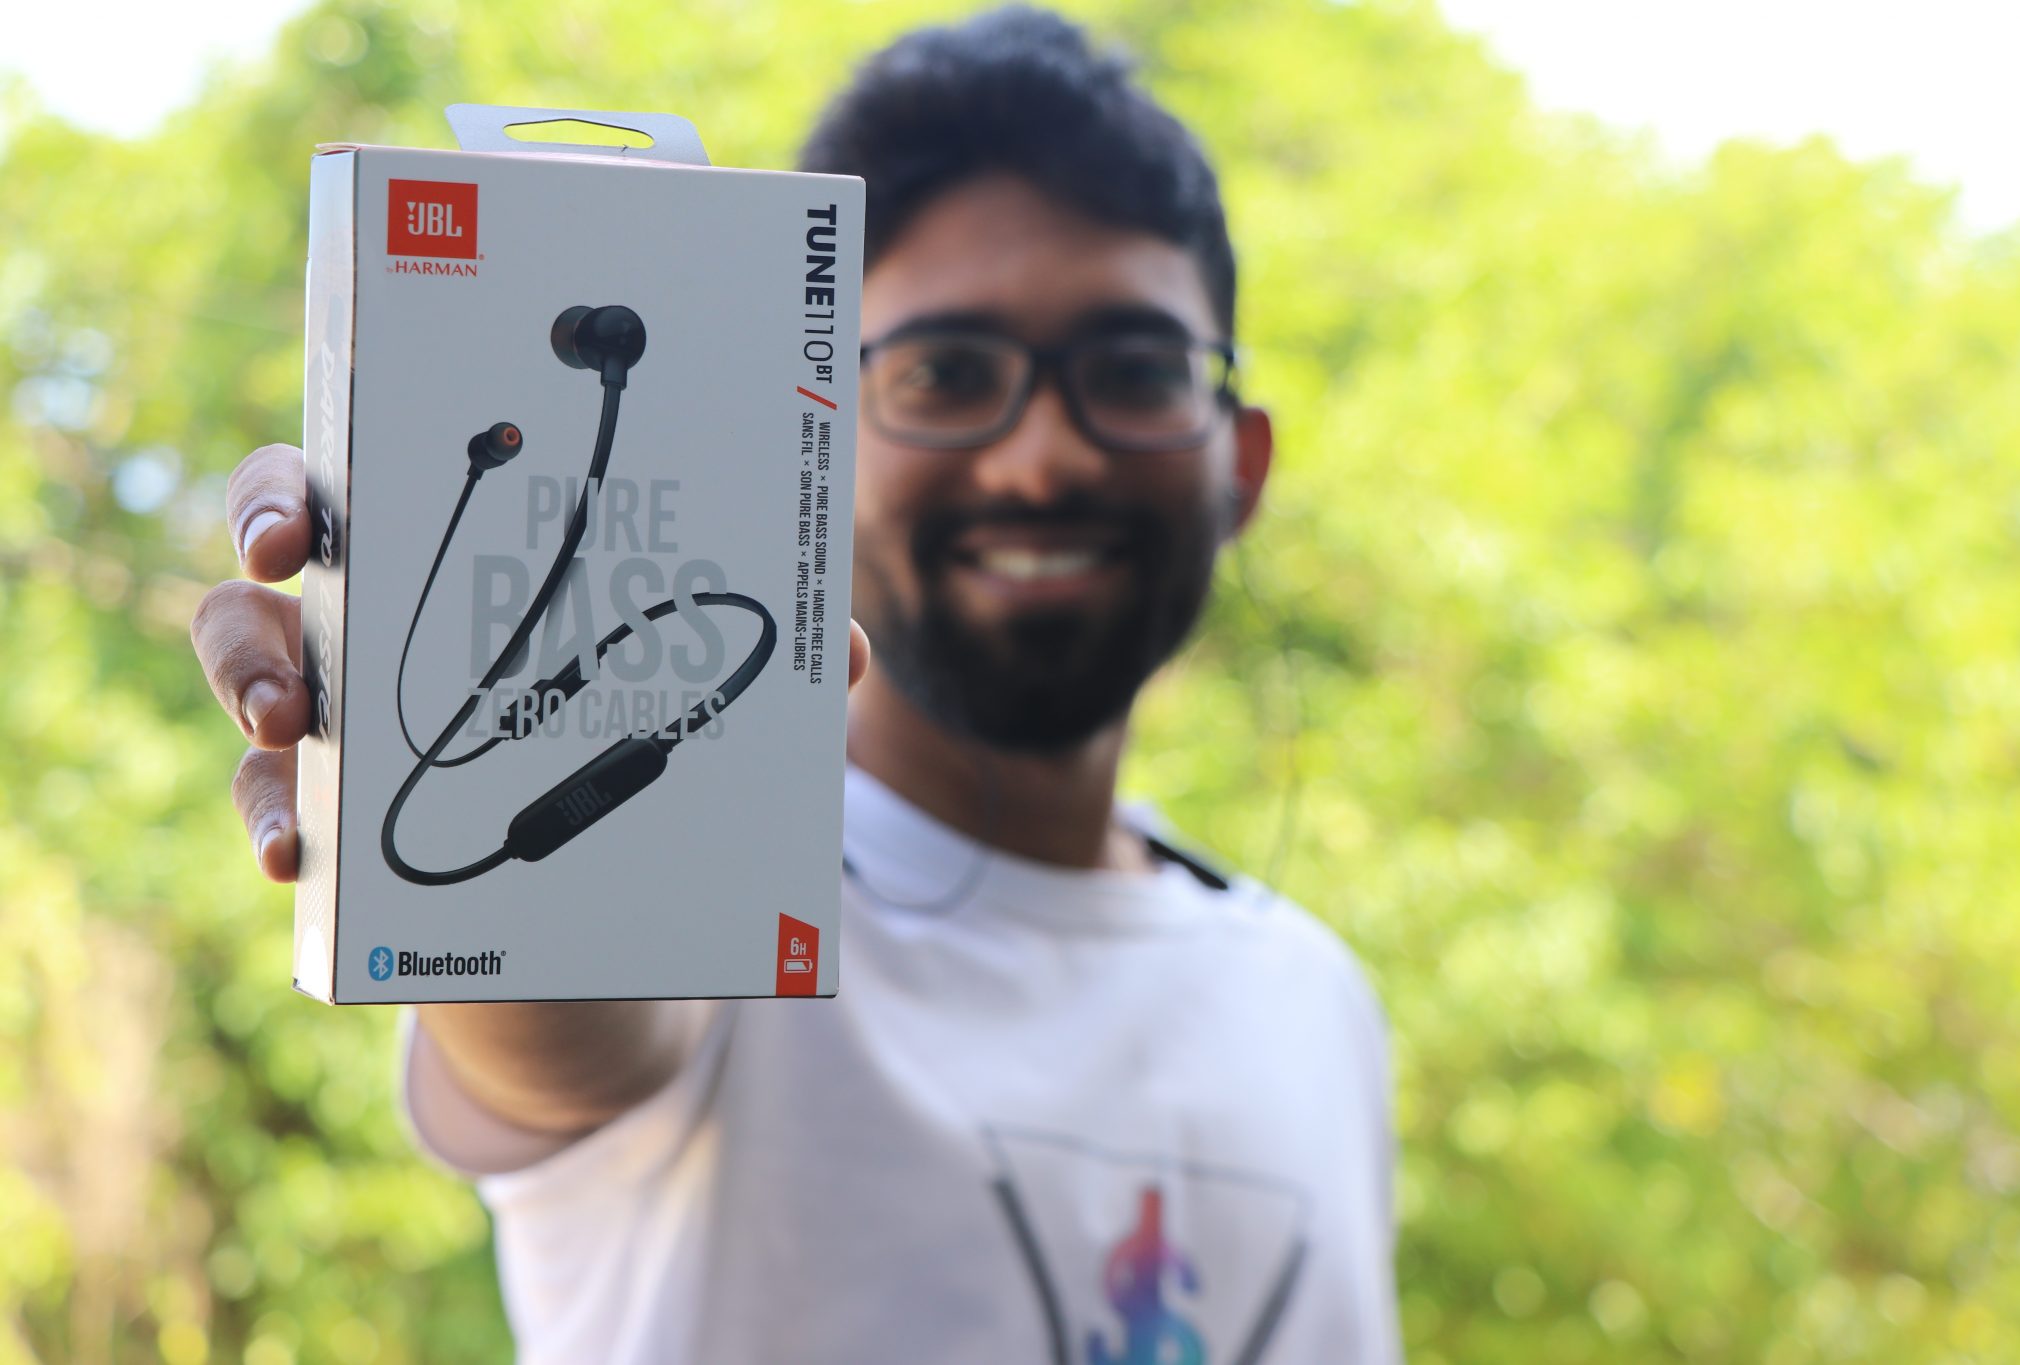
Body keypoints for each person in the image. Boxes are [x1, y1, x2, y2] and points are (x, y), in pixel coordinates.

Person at [190, 7, 1401, 1361]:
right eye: (949, 374)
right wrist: (424, 591)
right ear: (818, 426)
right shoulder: (713, 894)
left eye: (1134, 372)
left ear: (1243, 463)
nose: (1042, 460)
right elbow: (558, 1019)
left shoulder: (1317, 998)